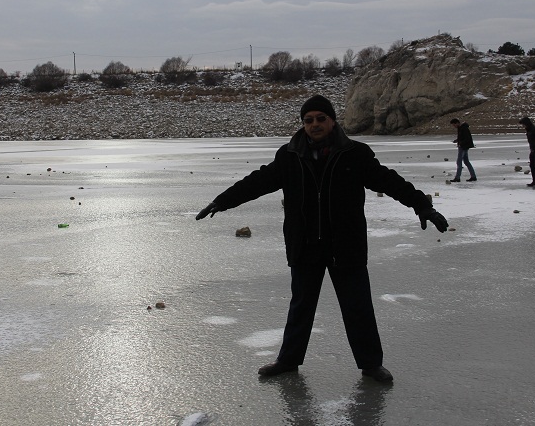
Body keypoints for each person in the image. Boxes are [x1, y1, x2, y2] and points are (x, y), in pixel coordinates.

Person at [195, 94, 449, 382]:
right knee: (301, 307)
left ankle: (371, 364)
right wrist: (222, 201)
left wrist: (422, 205)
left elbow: (389, 181)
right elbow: (258, 182)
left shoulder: (354, 153)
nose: (314, 124)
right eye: (308, 120)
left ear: (332, 121)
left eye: (320, 119)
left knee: (358, 307)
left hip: (345, 245)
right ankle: (288, 361)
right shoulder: (289, 155)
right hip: (304, 245)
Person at [449, 118, 476, 182]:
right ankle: (473, 176)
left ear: (457, 123)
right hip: (464, 147)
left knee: (459, 162)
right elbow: (462, 137)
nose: (454, 126)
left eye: (454, 125)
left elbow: (467, 138)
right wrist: (457, 140)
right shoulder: (461, 128)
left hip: (463, 147)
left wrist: (461, 144)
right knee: (466, 162)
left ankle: (457, 178)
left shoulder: (464, 128)